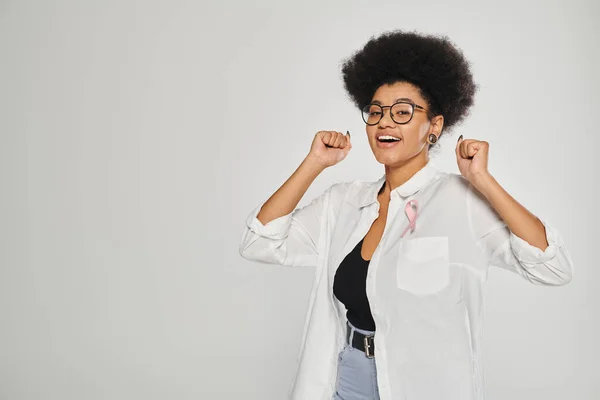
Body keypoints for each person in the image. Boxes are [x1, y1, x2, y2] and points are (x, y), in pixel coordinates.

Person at [238, 30, 573, 400]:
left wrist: (483, 180)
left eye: (402, 112)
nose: (384, 122)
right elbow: (259, 242)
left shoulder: (459, 201)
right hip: (346, 376)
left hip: (423, 386)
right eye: (376, 112)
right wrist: (314, 163)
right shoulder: (344, 202)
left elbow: (551, 266)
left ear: (434, 126)